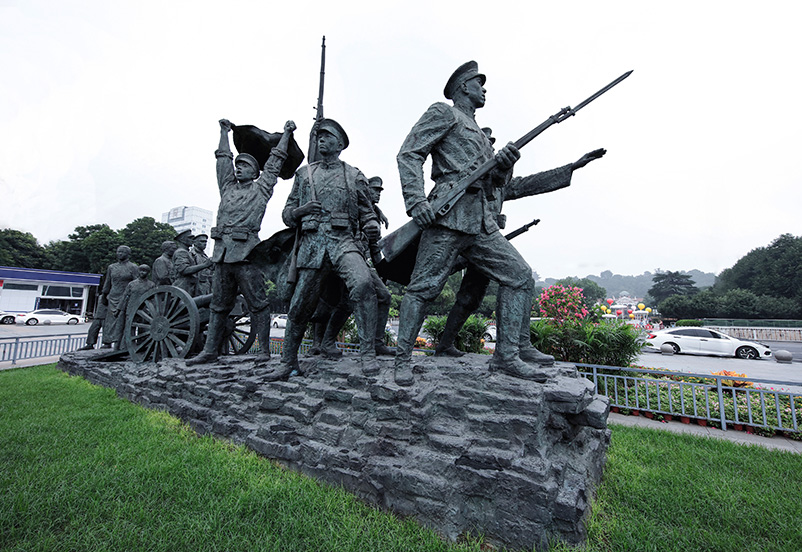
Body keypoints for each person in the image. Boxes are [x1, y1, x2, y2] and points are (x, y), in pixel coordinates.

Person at [394, 60, 556, 386]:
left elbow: (494, 184)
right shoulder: (444, 113)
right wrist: (416, 202)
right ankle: (402, 360)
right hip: (448, 215)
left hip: (481, 220)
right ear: (464, 86)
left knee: (519, 276)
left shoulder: (481, 135)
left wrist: (504, 166)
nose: (484, 90)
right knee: (423, 288)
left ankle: (507, 356)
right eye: (479, 84)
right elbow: (409, 153)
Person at [434, 128, 606, 357]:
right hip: (460, 238)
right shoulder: (462, 178)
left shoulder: (499, 184)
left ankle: (511, 345)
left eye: (491, 147)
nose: (490, 150)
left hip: (486, 243)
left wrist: (572, 167)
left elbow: (532, 183)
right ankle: (509, 348)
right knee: (442, 290)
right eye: (485, 145)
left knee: (474, 297)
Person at [268, 119, 382, 381]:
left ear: (340, 144)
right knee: (299, 306)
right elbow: (287, 214)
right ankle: (288, 363)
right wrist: (301, 211)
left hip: (343, 242)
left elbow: (367, 212)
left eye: (327, 136)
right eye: (319, 136)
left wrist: (372, 224)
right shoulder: (304, 175)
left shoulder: (354, 175)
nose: (321, 140)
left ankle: (367, 355)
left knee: (364, 284)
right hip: (312, 246)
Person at [187, 118, 297, 366]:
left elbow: (275, 161)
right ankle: (210, 351)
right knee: (218, 306)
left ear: (255, 173)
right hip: (222, 255)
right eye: (238, 165)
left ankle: (264, 351)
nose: (238, 168)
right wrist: (223, 133)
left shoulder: (261, 189)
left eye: (244, 166)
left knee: (258, 304)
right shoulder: (227, 188)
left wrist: (286, 135)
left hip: (248, 255)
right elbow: (222, 160)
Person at [310, 175, 394, 359]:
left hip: (360, 262)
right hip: (341, 258)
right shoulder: (352, 206)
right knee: (334, 302)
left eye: (379, 191)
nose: (377, 194)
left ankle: (377, 343)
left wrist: (383, 271)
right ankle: (324, 342)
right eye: (374, 190)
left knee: (384, 296)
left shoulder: (374, 215)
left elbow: (374, 247)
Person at [101, 245, 140, 349]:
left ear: (128, 254)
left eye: (122, 252)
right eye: (118, 252)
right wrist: (104, 294)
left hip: (126, 296)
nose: (119, 254)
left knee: (123, 319)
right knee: (110, 320)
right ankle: (107, 341)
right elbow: (108, 282)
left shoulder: (133, 267)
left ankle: (121, 342)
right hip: (113, 296)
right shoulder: (112, 267)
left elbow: (137, 282)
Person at [113, 264, 156, 350]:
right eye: (141, 270)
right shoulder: (132, 284)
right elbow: (124, 297)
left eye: (144, 271)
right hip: (131, 309)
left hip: (144, 310)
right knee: (129, 328)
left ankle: (141, 346)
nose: (142, 273)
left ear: (148, 273)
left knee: (143, 328)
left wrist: (153, 310)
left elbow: (154, 299)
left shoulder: (151, 285)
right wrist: (118, 309)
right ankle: (126, 346)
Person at [171, 230, 211, 296]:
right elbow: (184, 270)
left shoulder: (187, 252)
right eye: (189, 238)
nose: (192, 240)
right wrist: (205, 265)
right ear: (182, 240)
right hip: (183, 287)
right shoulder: (181, 252)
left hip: (189, 287)